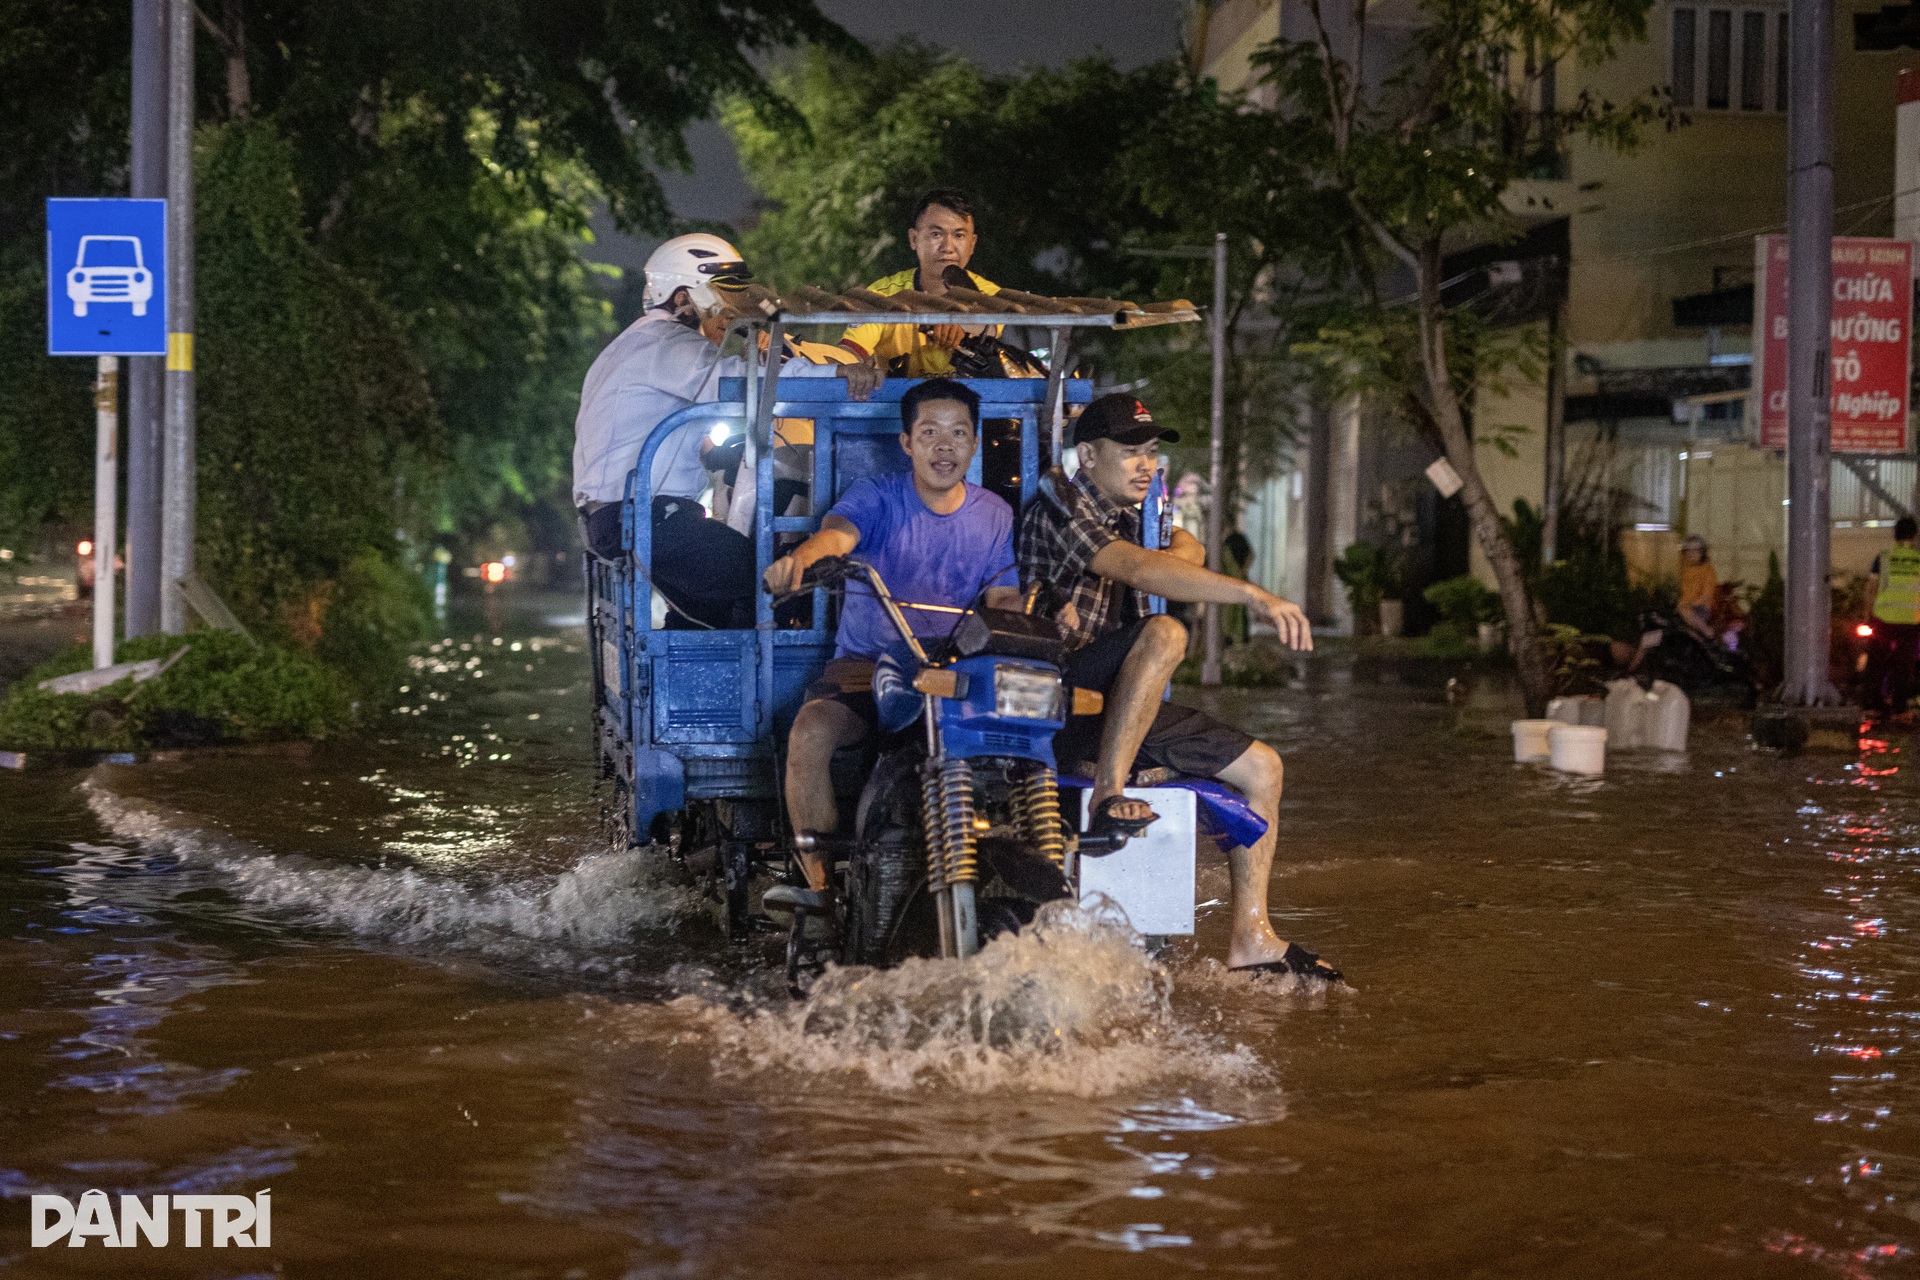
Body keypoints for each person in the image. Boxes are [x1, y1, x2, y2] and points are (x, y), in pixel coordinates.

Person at [1018, 392, 1337, 983]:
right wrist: (1253, 594)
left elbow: (1184, 549)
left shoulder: (1136, 514)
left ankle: (1251, 937)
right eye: (1129, 452)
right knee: (1165, 632)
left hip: (1122, 706)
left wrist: (1183, 545)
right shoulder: (1059, 507)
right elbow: (1142, 569)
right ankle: (1107, 792)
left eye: (1151, 453)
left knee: (1263, 769)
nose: (1145, 465)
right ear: (1087, 456)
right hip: (1052, 702)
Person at [765, 378, 1022, 893]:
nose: (943, 447)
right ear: (906, 443)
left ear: (974, 442)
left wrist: (1036, 616)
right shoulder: (876, 497)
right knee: (809, 735)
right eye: (929, 432)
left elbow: (1004, 600)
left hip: (953, 673)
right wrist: (801, 560)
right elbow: (836, 536)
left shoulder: (995, 514)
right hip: (865, 668)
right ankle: (819, 893)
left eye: (957, 433)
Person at [572, 233, 881, 627]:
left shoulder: (635, 344)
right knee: (777, 583)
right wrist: (837, 373)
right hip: (647, 518)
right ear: (684, 298)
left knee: (709, 612)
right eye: (720, 304)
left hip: (623, 517)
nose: (730, 317)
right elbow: (741, 382)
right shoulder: (667, 343)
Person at [838, 189, 1004, 378]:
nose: (948, 247)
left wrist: (961, 321)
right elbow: (849, 352)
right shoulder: (881, 295)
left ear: (972, 244)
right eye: (936, 234)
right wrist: (841, 367)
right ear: (914, 239)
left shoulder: (991, 294)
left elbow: (992, 326)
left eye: (959, 236)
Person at [1865, 516, 1920, 715]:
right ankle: (1900, 708)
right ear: (1914, 537)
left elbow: (1871, 589)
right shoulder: (1918, 560)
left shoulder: (1883, 558)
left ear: (1895, 536)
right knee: (1904, 666)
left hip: (1883, 618)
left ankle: (1872, 706)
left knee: (1876, 663)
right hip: (1911, 621)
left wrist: (1867, 616)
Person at [1677, 534, 1717, 641]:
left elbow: (1706, 595)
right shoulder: (1684, 569)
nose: (1691, 553)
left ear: (1702, 552)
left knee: (1684, 611)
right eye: (1688, 550)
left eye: (1695, 550)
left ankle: (1707, 631)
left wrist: (1689, 605)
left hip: (1700, 607)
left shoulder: (1708, 571)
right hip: (1683, 607)